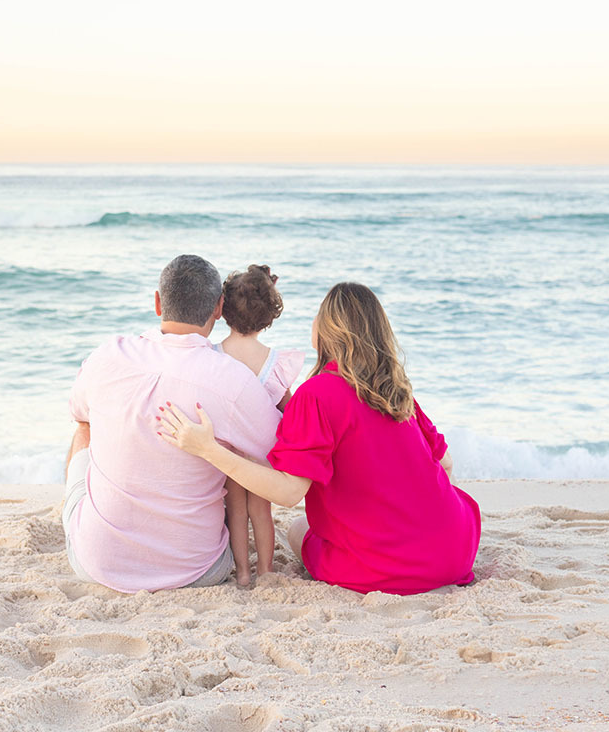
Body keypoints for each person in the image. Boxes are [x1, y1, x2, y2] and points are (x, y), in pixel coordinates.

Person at [157, 282, 481, 595]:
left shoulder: (316, 394)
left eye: (318, 315)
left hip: (382, 568)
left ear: (325, 330)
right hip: (455, 551)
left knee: (299, 528)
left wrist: (208, 449)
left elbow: (288, 492)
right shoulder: (395, 390)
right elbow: (446, 463)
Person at [65, 255, 281, 592]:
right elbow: (280, 448)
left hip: (97, 564)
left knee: (85, 427)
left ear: (157, 302)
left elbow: (78, 413)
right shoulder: (232, 379)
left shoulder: (107, 356)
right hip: (197, 569)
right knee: (233, 447)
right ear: (218, 308)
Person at [214, 264, 305, 585]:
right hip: (264, 453)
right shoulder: (274, 362)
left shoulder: (213, 356)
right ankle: (265, 570)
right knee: (261, 511)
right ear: (268, 316)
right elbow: (291, 409)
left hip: (228, 452)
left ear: (223, 310)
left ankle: (241, 573)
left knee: (235, 512)